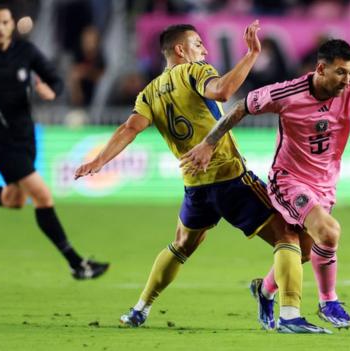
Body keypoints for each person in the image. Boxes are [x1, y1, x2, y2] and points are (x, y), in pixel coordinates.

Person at [74, 22, 330, 334]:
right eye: (197, 44)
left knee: (181, 244)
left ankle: (140, 308)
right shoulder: (193, 71)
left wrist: (99, 160)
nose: (204, 50)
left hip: (196, 187)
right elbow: (222, 90)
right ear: (180, 50)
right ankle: (286, 313)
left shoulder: (149, 92)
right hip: (231, 178)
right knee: (293, 239)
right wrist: (251, 54)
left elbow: (130, 128)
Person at [181, 39, 350, 329]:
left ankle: (264, 291)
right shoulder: (287, 93)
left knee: (303, 250)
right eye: (340, 72)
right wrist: (209, 143)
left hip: (325, 183)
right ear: (320, 68)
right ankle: (329, 303)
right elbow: (241, 107)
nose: (347, 79)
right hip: (288, 179)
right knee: (329, 231)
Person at [0, 4, 109, 280]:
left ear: (11, 24)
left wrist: (48, 88)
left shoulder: (25, 52)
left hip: (27, 138)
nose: (0, 28)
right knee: (42, 196)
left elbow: (56, 80)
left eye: (4, 23)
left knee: (14, 200)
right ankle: (77, 264)